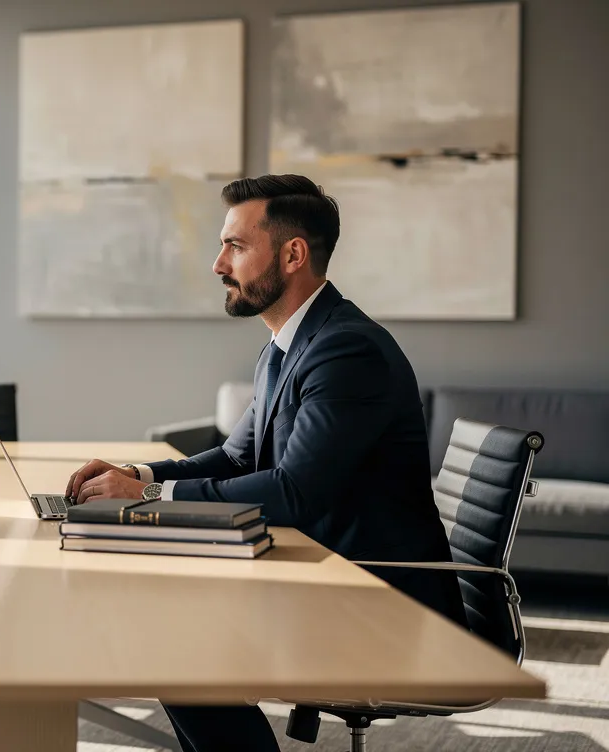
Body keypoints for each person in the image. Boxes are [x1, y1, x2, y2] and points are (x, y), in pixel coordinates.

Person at [65, 174, 465, 752]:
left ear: (293, 253)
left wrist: (146, 501)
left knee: (170, 633)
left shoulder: (347, 350)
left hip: (379, 601)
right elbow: (236, 457)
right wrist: (140, 477)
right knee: (165, 618)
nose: (218, 265)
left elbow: (295, 491)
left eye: (235, 246)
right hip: (324, 576)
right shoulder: (286, 346)